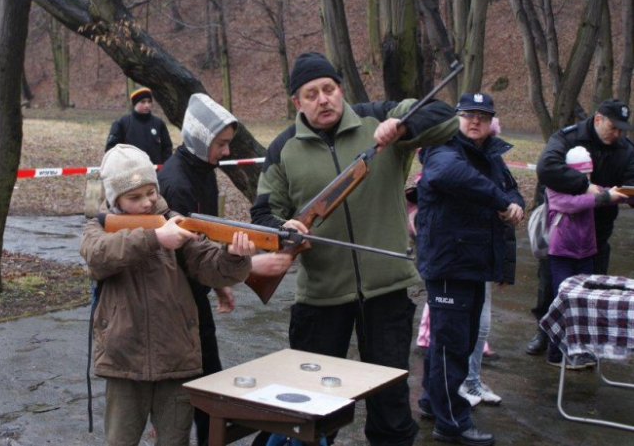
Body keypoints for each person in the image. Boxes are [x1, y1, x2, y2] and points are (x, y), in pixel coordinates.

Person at [251, 51, 458, 445]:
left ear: (340, 89)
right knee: (308, 403)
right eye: (311, 94)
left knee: (391, 407)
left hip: (387, 290)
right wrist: (285, 229)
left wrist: (403, 124)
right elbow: (263, 214)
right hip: (321, 296)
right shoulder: (283, 149)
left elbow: (446, 121)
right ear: (297, 102)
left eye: (329, 89)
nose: (323, 99)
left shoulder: (378, 117)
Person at [80, 144, 255, 446]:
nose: (147, 202)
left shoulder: (175, 222)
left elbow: (210, 265)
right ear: (114, 199)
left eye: (151, 192)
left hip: (177, 359)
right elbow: (98, 256)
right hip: (124, 361)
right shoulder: (99, 227)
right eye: (134, 197)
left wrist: (234, 256)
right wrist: (154, 238)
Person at [158, 93, 292, 446]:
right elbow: (184, 256)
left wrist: (220, 285)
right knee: (192, 396)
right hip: (175, 308)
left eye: (229, 143)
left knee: (210, 390)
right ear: (201, 140)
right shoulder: (176, 183)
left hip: (195, 298)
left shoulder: (202, 171)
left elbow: (203, 236)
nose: (227, 152)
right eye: (221, 143)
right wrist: (248, 267)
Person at [416, 92, 524, 446]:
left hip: (475, 265)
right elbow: (452, 175)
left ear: (491, 120)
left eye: (482, 115)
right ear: (456, 118)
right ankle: (452, 423)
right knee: (451, 346)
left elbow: (512, 192)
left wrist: (515, 206)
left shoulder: (491, 155)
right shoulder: (441, 147)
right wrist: (500, 200)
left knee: (452, 344)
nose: (474, 121)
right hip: (449, 263)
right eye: (467, 114)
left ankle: (434, 402)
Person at [528, 98, 634, 355]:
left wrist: (622, 194)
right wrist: (584, 186)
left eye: (622, 129)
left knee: (594, 289)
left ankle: (586, 343)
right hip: (561, 229)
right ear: (598, 119)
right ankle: (545, 331)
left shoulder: (626, 149)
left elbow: (631, 185)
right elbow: (547, 168)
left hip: (598, 231)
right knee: (552, 287)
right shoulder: (568, 138)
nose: (617, 133)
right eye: (613, 127)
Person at [544, 146, 629, 369]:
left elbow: (609, 195)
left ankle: (579, 352)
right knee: (562, 302)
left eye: (589, 175)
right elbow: (571, 204)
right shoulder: (555, 187)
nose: (586, 180)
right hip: (561, 254)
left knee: (584, 306)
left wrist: (627, 195)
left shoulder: (590, 188)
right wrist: (601, 196)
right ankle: (555, 353)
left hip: (586, 253)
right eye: (582, 175)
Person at [104, 87, 173, 164]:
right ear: (135, 103)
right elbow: (111, 149)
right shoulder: (122, 123)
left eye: (149, 102)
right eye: (143, 102)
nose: (147, 105)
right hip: (130, 171)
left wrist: (164, 167)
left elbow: (167, 148)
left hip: (155, 172)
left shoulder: (159, 123)